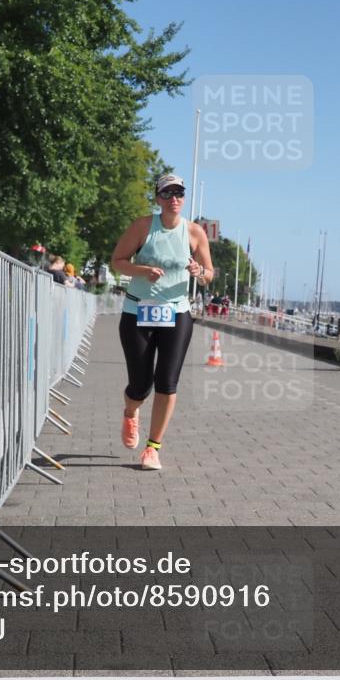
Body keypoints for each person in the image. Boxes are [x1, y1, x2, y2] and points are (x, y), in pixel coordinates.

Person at [111, 173, 213, 471]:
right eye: (167, 193)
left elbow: (208, 275)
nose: (174, 199)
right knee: (140, 386)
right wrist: (142, 270)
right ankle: (131, 412)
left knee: (167, 383)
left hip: (176, 313)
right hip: (137, 312)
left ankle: (153, 448)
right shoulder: (143, 227)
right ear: (157, 198)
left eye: (179, 193)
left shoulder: (194, 233)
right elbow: (116, 261)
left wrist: (198, 271)